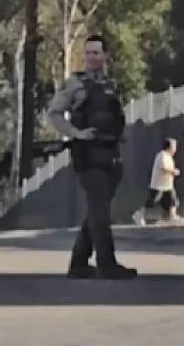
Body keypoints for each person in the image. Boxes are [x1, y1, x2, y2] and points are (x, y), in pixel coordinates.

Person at [46, 35, 137, 280]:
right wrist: (76, 134)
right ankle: (107, 263)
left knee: (98, 211)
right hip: (88, 156)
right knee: (100, 213)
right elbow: (54, 114)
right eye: (88, 53)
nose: (91, 57)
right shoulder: (75, 84)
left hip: (111, 154)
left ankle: (78, 263)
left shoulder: (112, 84)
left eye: (97, 53)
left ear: (106, 56)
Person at [139, 139, 180, 224]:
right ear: (170, 147)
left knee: (172, 200)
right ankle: (139, 215)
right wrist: (174, 171)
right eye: (174, 146)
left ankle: (171, 216)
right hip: (159, 185)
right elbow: (164, 168)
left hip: (167, 185)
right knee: (152, 201)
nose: (176, 149)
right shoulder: (163, 155)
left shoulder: (168, 156)